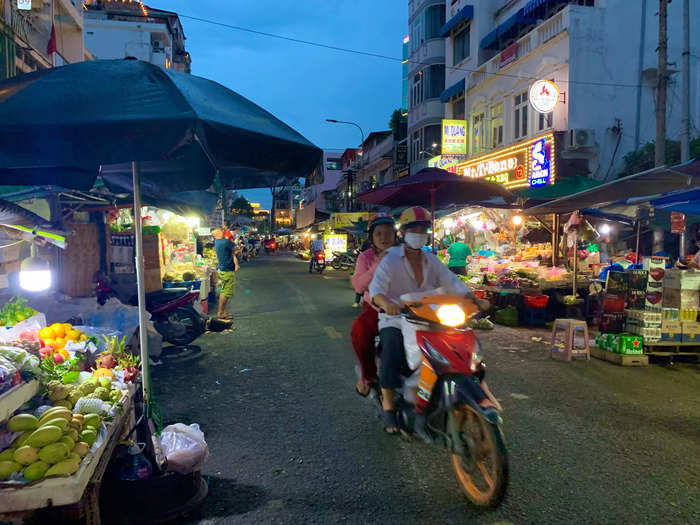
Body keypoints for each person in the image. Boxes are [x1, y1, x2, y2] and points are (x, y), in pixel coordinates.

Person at [369, 207, 490, 436]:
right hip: (396, 318)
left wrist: (474, 299)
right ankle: (388, 407)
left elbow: (453, 282)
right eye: (413, 228)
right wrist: (386, 303)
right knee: (391, 352)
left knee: (460, 349)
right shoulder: (390, 260)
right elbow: (376, 290)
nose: (419, 232)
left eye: (423, 228)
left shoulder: (432, 261)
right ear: (403, 232)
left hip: (432, 319)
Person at [351, 214, 397, 396]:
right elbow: (359, 286)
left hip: (408, 308)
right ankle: (369, 375)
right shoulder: (366, 257)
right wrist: (379, 264)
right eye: (379, 234)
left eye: (388, 233)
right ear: (371, 237)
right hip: (376, 308)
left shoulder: (405, 254)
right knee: (359, 330)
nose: (384, 238)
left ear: (395, 235)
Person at [212, 228, 239, 320]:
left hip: (222, 269)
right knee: (225, 293)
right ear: (218, 233)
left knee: (223, 291)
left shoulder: (217, 242)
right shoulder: (225, 242)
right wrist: (234, 252)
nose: (223, 231)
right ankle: (221, 312)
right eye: (221, 230)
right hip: (227, 270)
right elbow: (237, 249)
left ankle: (222, 311)